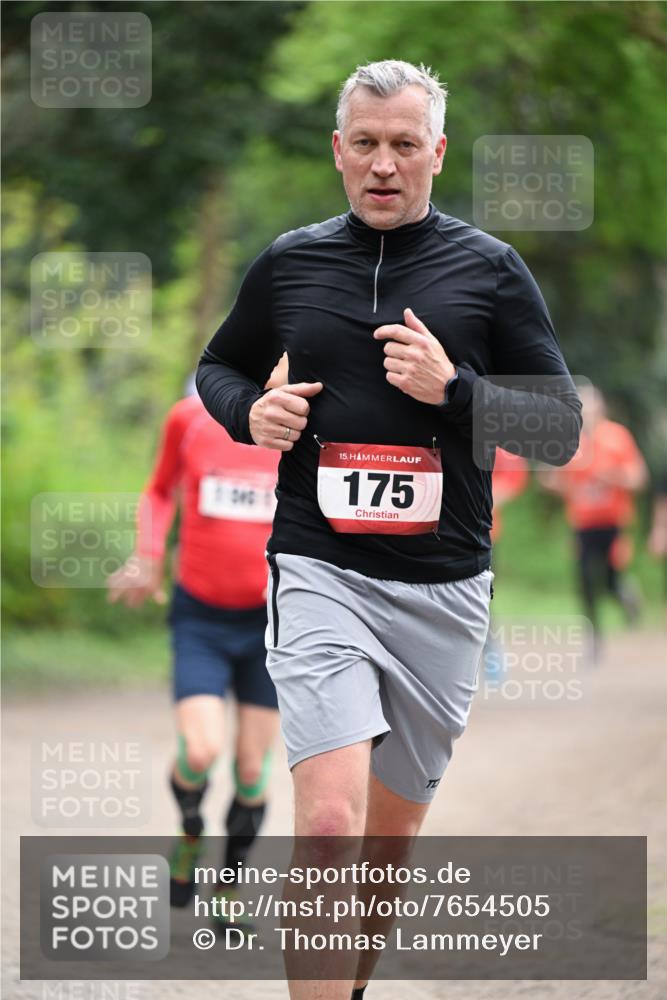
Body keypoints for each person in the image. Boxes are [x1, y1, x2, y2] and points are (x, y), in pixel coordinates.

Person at [197, 60, 581, 1000]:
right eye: (364, 144)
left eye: (403, 145)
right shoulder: (290, 262)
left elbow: (558, 428)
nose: (382, 165)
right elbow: (218, 367)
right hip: (320, 567)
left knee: (387, 835)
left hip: (443, 587)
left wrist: (451, 390)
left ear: (435, 154)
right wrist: (251, 413)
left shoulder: (489, 271)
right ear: (337, 151)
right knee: (328, 823)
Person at [107, 362, 285, 930]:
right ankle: (188, 833)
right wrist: (149, 553)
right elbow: (159, 492)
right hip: (201, 617)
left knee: (253, 767)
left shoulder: (299, 432)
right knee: (201, 751)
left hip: (270, 624)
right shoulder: (189, 418)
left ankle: (228, 889)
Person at [539, 384, 647, 654]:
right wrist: (555, 480)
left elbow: (639, 478)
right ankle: (594, 637)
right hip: (582, 524)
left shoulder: (617, 436)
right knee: (585, 579)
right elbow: (549, 479)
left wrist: (612, 477)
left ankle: (625, 595)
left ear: (601, 408)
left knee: (609, 580)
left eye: (590, 406)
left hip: (614, 524)